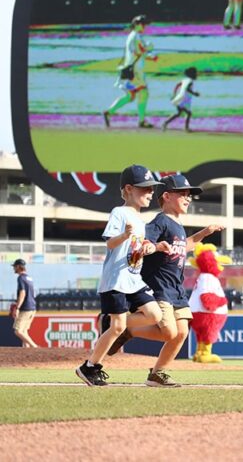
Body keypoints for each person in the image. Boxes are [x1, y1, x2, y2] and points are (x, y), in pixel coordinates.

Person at [107, 174, 224, 387]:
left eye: (189, 195)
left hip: (176, 289)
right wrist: (150, 246)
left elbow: (186, 245)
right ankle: (125, 326)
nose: (188, 198)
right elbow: (146, 241)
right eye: (183, 194)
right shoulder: (161, 221)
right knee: (169, 332)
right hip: (159, 286)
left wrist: (205, 233)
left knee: (181, 332)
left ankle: (157, 373)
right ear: (167, 196)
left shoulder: (178, 225)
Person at [75, 165, 164, 386]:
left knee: (155, 315)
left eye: (151, 189)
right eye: (145, 188)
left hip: (133, 278)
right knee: (117, 327)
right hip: (116, 280)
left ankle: (111, 322)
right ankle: (89, 367)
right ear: (129, 189)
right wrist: (124, 235)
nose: (150, 192)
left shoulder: (140, 219)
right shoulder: (119, 212)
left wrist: (150, 247)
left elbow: (136, 247)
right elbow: (110, 243)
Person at [104, 15, 158, 129]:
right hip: (135, 71)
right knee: (143, 93)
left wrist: (150, 56)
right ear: (137, 24)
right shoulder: (135, 36)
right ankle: (141, 121)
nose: (145, 27)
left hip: (132, 69)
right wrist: (149, 49)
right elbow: (138, 52)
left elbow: (138, 53)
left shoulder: (133, 36)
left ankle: (109, 112)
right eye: (143, 24)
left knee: (130, 96)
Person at [163, 67, 200, 132]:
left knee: (179, 113)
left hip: (179, 97)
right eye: (196, 73)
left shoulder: (184, 80)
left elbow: (177, 85)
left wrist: (174, 94)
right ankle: (186, 128)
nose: (197, 75)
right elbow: (187, 89)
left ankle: (165, 123)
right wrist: (194, 93)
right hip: (183, 99)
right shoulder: (190, 81)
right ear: (192, 74)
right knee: (188, 113)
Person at [11, 259, 37, 348]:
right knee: (24, 331)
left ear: (19, 266)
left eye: (15, 266)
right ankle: (26, 351)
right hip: (32, 308)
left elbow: (23, 293)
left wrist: (17, 308)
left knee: (18, 331)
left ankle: (35, 347)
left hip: (26, 308)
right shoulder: (29, 278)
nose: (14, 268)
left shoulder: (21, 278)